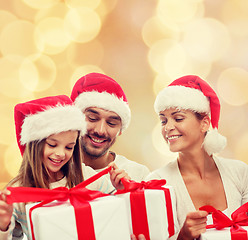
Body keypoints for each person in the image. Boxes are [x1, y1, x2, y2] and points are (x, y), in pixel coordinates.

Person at [0, 95, 126, 240]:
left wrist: (122, 191)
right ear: (35, 145)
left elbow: (116, 212)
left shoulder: (87, 176)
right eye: (52, 145)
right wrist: (3, 226)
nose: (60, 154)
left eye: (69, 147)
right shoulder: (18, 192)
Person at [145, 75, 248, 240]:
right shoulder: (157, 183)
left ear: (205, 123)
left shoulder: (240, 173)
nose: (168, 127)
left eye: (178, 118)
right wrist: (183, 237)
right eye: (163, 121)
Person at [70, 72, 150, 188]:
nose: (101, 130)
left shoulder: (138, 174)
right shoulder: (54, 170)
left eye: (111, 123)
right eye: (92, 118)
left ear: (121, 130)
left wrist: (128, 195)